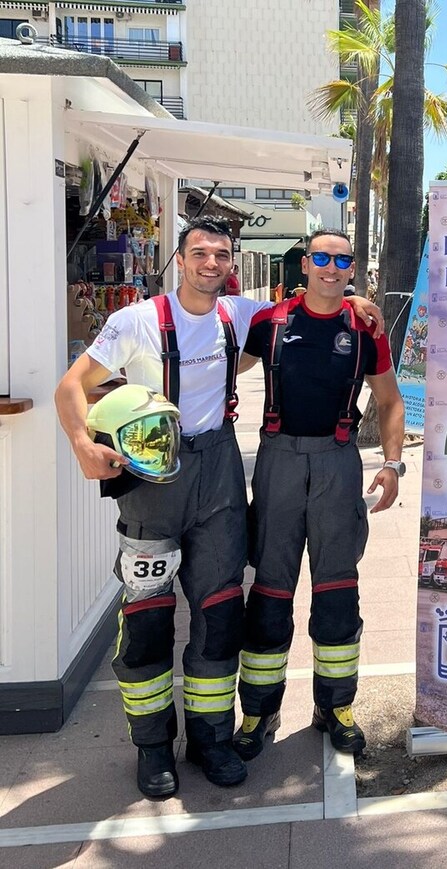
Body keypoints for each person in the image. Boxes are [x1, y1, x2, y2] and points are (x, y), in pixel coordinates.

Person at [54, 218, 382, 800]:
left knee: (221, 610)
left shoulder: (241, 316)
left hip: (221, 475)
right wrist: (84, 443)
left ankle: (211, 737)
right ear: (179, 259)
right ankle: (153, 746)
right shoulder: (135, 320)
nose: (212, 263)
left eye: (222, 255)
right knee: (148, 614)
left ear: (233, 263)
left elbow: (315, 304)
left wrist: (352, 295)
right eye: (200, 253)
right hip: (151, 478)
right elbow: (70, 387)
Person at [231, 229, 405, 763]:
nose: (332, 267)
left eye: (342, 260)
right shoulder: (269, 322)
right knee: (270, 594)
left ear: (353, 268)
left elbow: (391, 400)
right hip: (279, 463)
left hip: (338, 463)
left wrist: (393, 464)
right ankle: (259, 711)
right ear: (305, 264)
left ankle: (335, 708)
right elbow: (214, 360)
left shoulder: (365, 327)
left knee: (337, 592)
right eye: (322, 257)